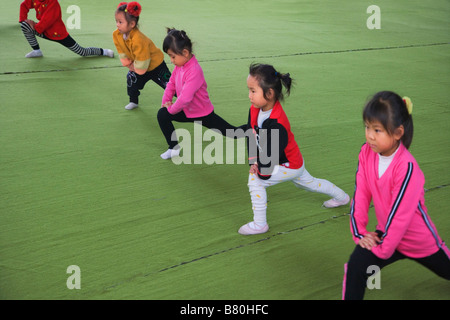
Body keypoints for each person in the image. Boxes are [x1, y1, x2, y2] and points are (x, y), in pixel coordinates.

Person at [342, 91, 450, 300]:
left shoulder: (407, 168)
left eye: (377, 130)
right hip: (386, 234)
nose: (370, 135)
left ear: (398, 132)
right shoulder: (366, 153)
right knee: (357, 265)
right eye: (367, 127)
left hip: (417, 239)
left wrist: (382, 251)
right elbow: (361, 194)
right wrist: (360, 233)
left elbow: (400, 216)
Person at [237, 63, 350, 235]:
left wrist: (258, 168)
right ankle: (342, 197)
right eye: (249, 90)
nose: (249, 95)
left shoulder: (278, 123)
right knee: (310, 183)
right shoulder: (254, 109)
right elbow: (250, 133)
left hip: (289, 163)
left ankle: (260, 224)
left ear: (270, 94)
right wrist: (253, 160)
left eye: (253, 91)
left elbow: (269, 162)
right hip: (290, 161)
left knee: (256, 181)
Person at [157, 28, 236, 160]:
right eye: (170, 56)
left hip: (202, 113)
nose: (171, 60)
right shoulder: (179, 66)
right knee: (162, 114)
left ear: (185, 53)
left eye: (173, 56)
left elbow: (184, 99)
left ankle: (254, 130)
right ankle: (173, 147)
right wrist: (165, 104)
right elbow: (171, 84)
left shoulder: (194, 70)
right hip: (187, 111)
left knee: (233, 132)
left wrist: (171, 109)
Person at [113, 2, 172, 110]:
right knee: (131, 80)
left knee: (170, 85)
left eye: (120, 22)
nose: (117, 24)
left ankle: (188, 100)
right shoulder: (116, 34)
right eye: (116, 21)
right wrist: (129, 65)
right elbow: (121, 51)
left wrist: (134, 68)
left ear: (132, 24)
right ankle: (133, 101)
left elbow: (143, 61)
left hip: (156, 65)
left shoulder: (139, 39)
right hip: (137, 66)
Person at [19, 0, 114, 59]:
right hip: (43, 31)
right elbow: (24, 5)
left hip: (58, 34)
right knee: (24, 25)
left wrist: (34, 26)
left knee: (82, 52)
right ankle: (37, 51)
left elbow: (47, 21)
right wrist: (24, 19)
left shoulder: (53, 3)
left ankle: (104, 51)